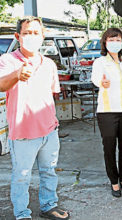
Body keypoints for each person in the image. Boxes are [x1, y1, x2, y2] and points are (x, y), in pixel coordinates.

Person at [0, 17, 69, 220]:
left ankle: (49, 205)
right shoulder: (7, 60)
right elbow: (1, 84)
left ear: (42, 37)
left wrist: (53, 124)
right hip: (23, 132)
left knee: (49, 172)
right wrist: (17, 75)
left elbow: (51, 95)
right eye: (27, 33)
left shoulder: (49, 64)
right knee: (22, 176)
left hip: (49, 130)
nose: (31, 37)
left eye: (36, 33)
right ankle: (22, 214)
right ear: (18, 36)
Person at [91, 28, 122, 198]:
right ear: (105, 42)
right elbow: (96, 79)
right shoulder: (100, 62)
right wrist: (102, 83)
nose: (115, 43)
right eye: (111, 39)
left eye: (118, 39)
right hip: (107, 112)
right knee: (109, 148)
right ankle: (113, 181)